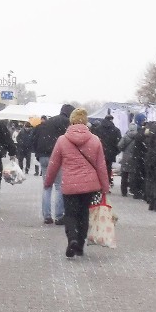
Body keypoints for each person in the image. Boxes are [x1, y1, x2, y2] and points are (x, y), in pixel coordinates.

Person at [44, 108, 109, 258]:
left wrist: (48, 181)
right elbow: (101, 166)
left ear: (71, 121)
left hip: (70, 184)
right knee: (83, 214)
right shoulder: (95, 140)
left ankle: (72, 238)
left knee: (71, 214)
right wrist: (105, 186)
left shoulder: (62, 140)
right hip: (89, 186)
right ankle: (80, 244)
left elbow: (54, 163)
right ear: (86, 121)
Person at [32, 104, 75, 224]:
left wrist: (38, 154)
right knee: (59, 186)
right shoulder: (67, 123)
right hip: (56, 157)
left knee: (47, 186)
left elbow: (34, 138)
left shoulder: (46, 122)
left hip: (43, 157)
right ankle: (59, 216)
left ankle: (46, 216)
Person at [91, 113, 122, 186]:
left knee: (98, 168)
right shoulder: (116, 130)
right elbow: (119, 143)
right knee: (108, 169)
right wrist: (115, 152)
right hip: (110, 153)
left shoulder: (98, 129)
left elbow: (93, 140)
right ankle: (106, 184)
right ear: (111, 120)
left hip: (99, 152)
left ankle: (98, 184)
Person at [117, 120, 139, 197]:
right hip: (134, 157)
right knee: (133, 175)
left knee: (124, 175)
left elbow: (120, 145)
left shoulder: (125, 136)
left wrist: (124, 150)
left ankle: (124, 191)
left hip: (126, 157)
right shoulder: (138, 136)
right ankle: (132, 190)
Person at [129, 113, 148, 199]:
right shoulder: (140, 131)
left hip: (136, 155)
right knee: (138, 174)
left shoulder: (138, 130)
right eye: (143, 120)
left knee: (136, 174)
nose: (144, 121)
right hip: (139, 156)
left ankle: (136, 191)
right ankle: (137, 192)